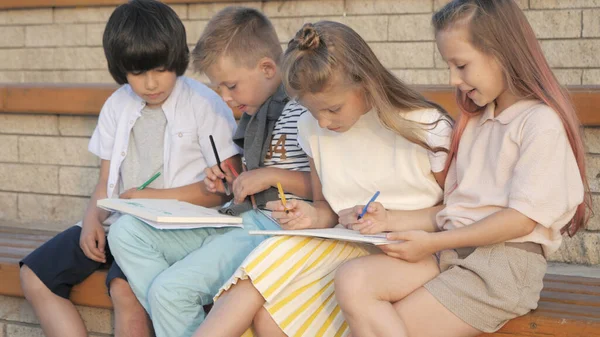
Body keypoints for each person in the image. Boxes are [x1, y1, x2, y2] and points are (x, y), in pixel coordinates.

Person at [334, 1, 591, 336]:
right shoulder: (474, 123)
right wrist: (388, 219)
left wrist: (432, 243)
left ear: (502, 53)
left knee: (390, 327)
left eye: (461, 65)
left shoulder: (539, 123)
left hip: (503, 268)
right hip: (455, 257)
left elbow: (521, 218)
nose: (454, 79)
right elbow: (455, 211)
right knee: (351, 279)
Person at [193, 20, 453, 337]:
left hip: (418, 252)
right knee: (268, 303)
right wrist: (310, 215)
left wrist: (390, 219)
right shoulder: (311, 128)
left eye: (333, 108)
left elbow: (455, 215)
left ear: (365, 82)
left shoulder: (426, 126)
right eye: (314, 111)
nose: (324, 122)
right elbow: (327, 208)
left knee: (276, 297)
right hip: (349, 245)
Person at [19, 1, 238, 337]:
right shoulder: (117, 105)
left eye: (161, 69)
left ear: (177, 58)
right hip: (117, 222)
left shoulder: (205, 104)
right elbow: (106, 180)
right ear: (122, 70)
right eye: (138, 73)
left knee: (125, 291)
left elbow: (223, 190)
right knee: (34, 275)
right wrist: (92, 218)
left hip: (167, 235)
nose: (151, 83)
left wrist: (151, 198)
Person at [107, 6, 312, 337]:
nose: (225, 98)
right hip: (240, 222)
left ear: (268, 68)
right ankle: (187, 316)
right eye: (219, 88)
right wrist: (233, 181)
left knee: (168, 292)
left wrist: (269, 176)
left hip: (272, 232)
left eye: (230, 86)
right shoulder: (255, 112)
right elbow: (252, 181)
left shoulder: (304, 108)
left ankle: (178, 303)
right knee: (124, 233)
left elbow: (330, 186)